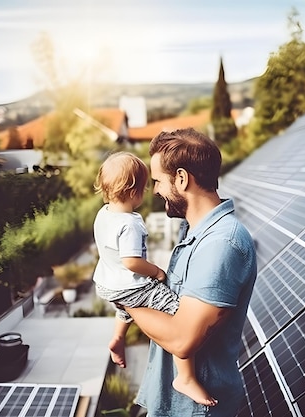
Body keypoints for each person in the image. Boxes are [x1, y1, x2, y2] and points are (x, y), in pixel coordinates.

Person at [124, 128, 258, 417]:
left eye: (159, 181)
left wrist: (124, 298)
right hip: (175, 405)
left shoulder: (220, 244)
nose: (156, 190)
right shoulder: (195, 234)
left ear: (182, 178)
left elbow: (183, 340)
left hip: (195, 411)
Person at [91, 151, 217, 407]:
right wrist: (156, 272)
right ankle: (186, 377)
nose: (149, 191)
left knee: (126, 304)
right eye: (146, 186)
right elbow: (131, 262)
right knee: (178, 312)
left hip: (108, 284)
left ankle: (118, 338)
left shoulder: (104, 214)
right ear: (132, 191)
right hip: (129, 284)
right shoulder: (130, 223)